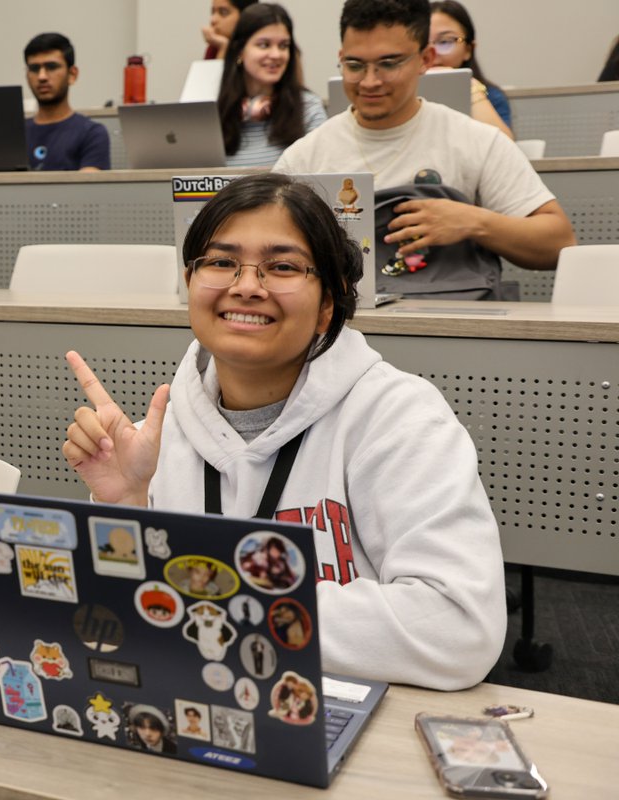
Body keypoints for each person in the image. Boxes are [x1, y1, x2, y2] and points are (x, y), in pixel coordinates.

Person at [62, 172, 506, 690]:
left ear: (329, 303)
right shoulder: (153, 440)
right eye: (222, 262)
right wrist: (125, 503)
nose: (246, 286)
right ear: (190, 284)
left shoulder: (400, 418)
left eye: (283, 267)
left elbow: (459, 628)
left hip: (344, 715)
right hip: (192, 703)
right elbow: (121, 618)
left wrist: (218, 605)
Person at [275, 0, 574, 295]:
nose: (369, 81)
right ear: (341, 57)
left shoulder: (475, 141)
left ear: (426, 59)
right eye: (354, 65)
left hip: (456, 324)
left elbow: (559, 243)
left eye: (389, 64)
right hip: (343, 326)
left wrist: (474, 222)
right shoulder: (305, 156)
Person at [218, 3, 326, 167]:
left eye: (283, 46)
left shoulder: (309, 109)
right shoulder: (215, 113)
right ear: (240, 51)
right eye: (264, 45)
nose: (276, 55)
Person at [23, 33, 109, 171]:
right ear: (27, 75)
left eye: (51, 67)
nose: (42, 76)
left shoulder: (91, 133)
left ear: (72, 75)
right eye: (34, 69)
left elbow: (87, 190)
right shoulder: (15, 136)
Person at [429, 1, 513, 139]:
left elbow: (504, 152)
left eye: (444, 42)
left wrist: (469, 88)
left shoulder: (491, 96)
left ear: (468, 49)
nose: (432, 52)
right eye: (423, 43)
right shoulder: (399, 95)